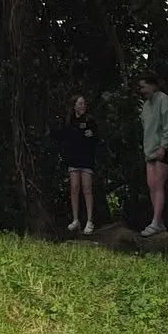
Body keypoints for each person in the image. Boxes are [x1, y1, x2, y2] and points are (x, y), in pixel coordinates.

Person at [137, 71, 168, 236]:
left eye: (143, 86)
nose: (141, 90)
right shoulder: (145, 106)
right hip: (150, 150)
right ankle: (158, 221)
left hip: (165, 149)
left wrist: (163, 146)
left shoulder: (165, 100)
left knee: (159, 184)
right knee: (152, 186)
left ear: (152, 85)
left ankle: (155, 221)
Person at [58, 94, 98, 235]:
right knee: (74, 188)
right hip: (73, 159)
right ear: (74, 105)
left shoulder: (90, 120)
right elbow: (63, 138)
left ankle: (89, 220)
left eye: (83, 103)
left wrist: (91, 135)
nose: (82, 106)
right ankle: (75, 219)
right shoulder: (69, 121)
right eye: (79, 103)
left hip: (86, 159)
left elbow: (96, 139)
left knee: (87, 188)